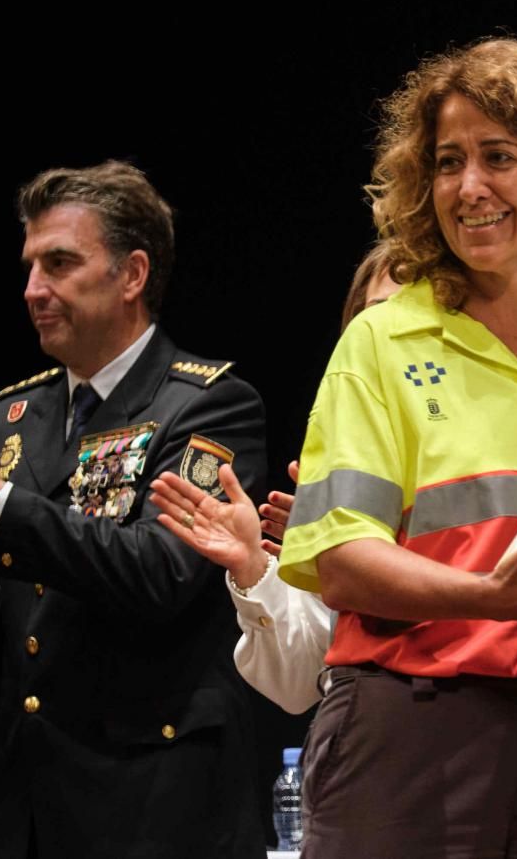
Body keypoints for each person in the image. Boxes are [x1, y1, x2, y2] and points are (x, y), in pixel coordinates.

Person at [279, 39, 517, 857]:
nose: (468, 187)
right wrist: (494, 595)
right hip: (413, 727)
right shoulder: (381, 340)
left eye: (499, 157)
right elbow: (341, 558)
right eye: (448, 163)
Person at [0, 161, 267, 858]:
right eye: (30, 266)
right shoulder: (9, 416)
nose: (33, 289)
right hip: (22, 801)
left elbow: (162, 571)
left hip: (153, 800)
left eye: (60, 263)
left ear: (132, 275)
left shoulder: (208, 405)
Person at [150, 241, 403, 715]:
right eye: (376, 317)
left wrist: (367, 552)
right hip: (368, 744)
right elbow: (295, 686)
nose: (391, 335)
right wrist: (252, 567)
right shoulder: (337, 461)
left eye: (414, 316)